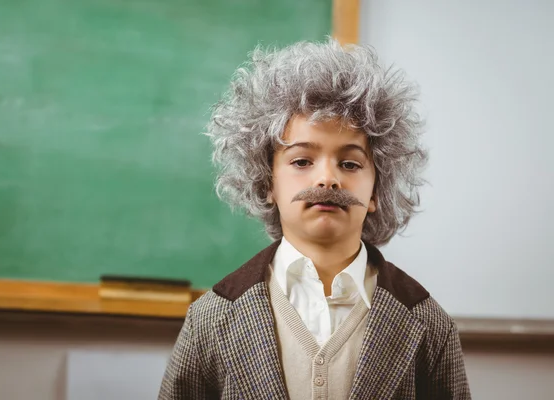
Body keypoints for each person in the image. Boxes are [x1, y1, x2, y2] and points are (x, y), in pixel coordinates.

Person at [159, 39, 471, 399]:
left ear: (376, 190)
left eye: (350, 163)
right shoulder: (211, 319)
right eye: (302, 161)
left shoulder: (428, 323)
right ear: (267, 182)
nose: (327, 178)